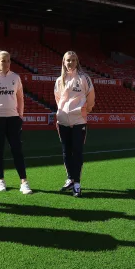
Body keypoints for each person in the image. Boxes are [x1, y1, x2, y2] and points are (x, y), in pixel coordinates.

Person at [0, 50, 32, 194]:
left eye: (9, 60)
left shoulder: (15, 78)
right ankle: (1, 181)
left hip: (13, 119)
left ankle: (24, 182)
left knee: (17, 150)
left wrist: (20, 115)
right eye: (3, 60)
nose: (6, 63)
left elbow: (20, 98)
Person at [55, 51, 95, 198]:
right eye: (67, 60)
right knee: (66, 152)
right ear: (64, 62)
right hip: (63, 121)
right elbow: (58, 99)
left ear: (77, 62)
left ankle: (77, 184)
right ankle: (70, 179)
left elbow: (91, 97)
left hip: (79, 121)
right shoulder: (60, 80)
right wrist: (62, 112)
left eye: (73, 60)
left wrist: (84, 110)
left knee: (77, 152)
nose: (70, 63)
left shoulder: (84, 79)